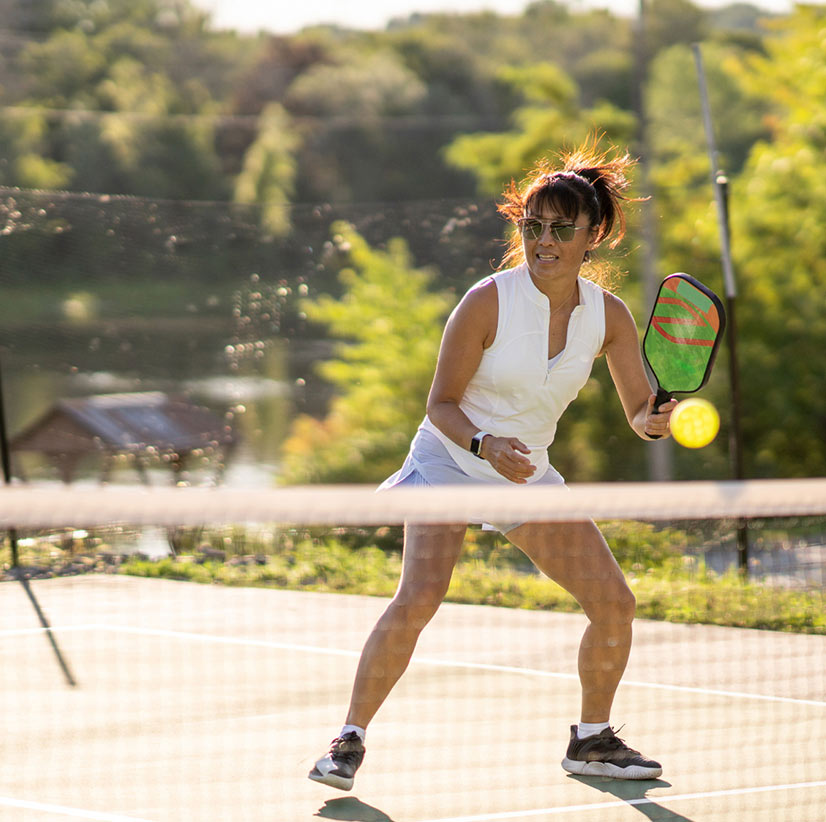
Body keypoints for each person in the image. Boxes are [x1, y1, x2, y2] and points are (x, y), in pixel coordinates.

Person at [308, 141, 676, 791]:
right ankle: (347, 740)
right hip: (451, 457)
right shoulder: (487, 301)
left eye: (562, 228)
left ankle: (592, 739)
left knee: (614, 602)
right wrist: (483, 445)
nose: (544, 240)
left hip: (526, 472)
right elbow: (440, 405)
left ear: (594, 235)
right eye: (532, 226)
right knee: (420, 596)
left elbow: (638, 410)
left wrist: (653, 419)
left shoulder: (608, 318)